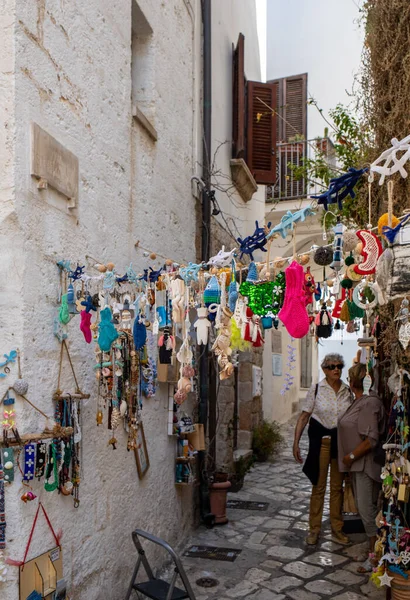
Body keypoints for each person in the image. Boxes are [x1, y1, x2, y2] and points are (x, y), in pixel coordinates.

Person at [293, 353, 352, 546]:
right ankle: (314, 530)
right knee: (318, 487)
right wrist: (296, 443)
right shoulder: (317, 389)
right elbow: (304, 417)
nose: (336, 369)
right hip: (322, 444)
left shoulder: (346, 391)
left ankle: (337, 529)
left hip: (340, 444)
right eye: (332, 366)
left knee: (337, 489)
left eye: (339, 366)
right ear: (325, 369)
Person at [338, 363, 385, 573]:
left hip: (365, 466)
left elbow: (371, 440)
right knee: (366, 510)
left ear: (352, 381)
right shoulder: (359, 401)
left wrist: (350, 456)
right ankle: (372, 552)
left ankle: (375, 559)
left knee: (367, 512)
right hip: (357, 466)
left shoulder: (368, 404)